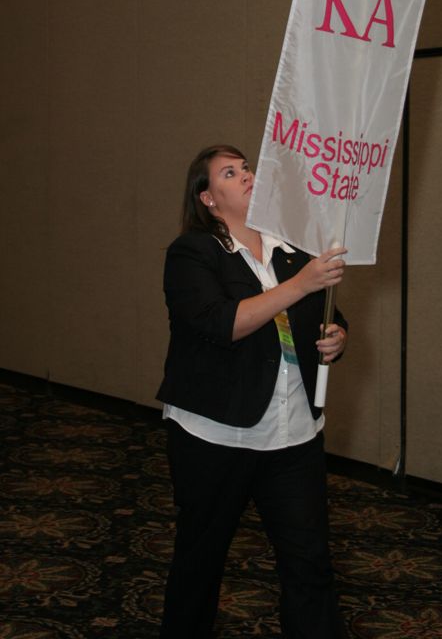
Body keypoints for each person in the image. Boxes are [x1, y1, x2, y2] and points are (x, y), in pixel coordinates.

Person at [157, 143, 349, 638]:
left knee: (311, 565)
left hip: (294, 435)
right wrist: (301, 284)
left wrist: (336, 338)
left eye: (246, 167)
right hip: (217, 437)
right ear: (207, 198)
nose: (246, 175)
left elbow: (326, 315)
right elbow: (223, 324)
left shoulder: (290, 248)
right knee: (200, 565)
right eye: (229, 172)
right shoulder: (193, 253)